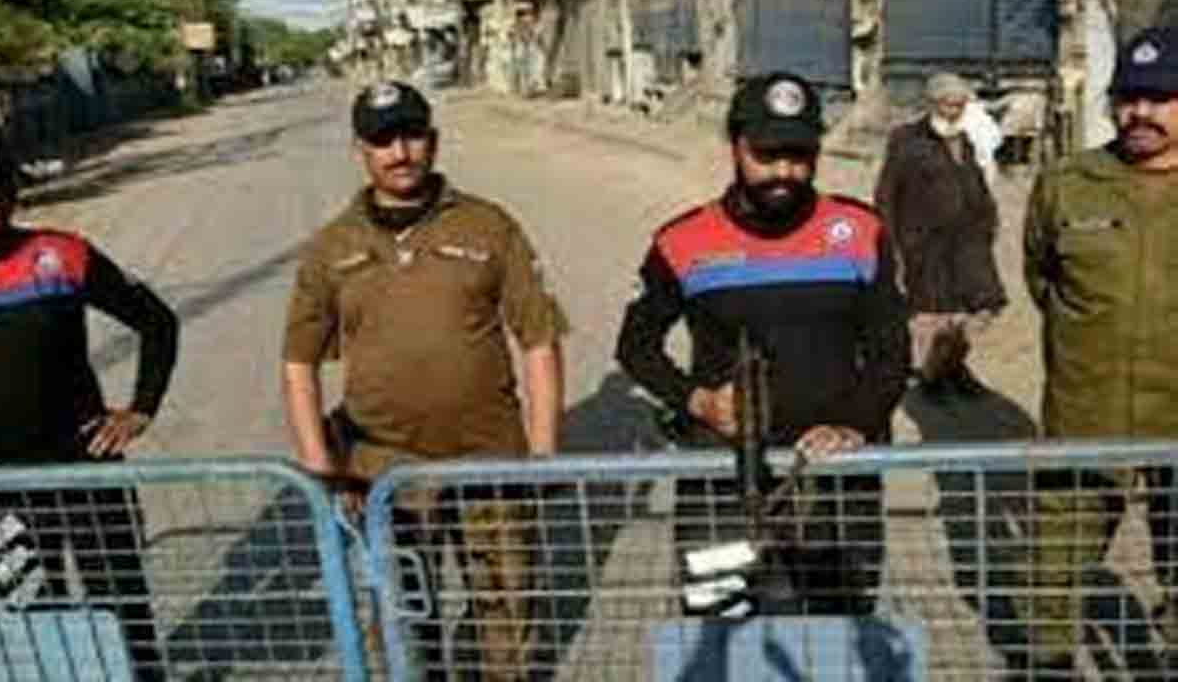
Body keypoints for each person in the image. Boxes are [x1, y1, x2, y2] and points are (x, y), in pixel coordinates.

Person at [281, 80, 567, 681]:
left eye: (411, 136)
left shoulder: (490, 226)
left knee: (508, 617)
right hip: (382, 469)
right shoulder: (331, 247)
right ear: (361, 150)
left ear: (432, 141)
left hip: (490, 462)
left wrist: (542, 454)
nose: (400, 152)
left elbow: (539, 339)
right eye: (383, 140)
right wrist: (320, 470)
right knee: (403, 624)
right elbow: (298, 362)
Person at [615, 71, 909, 616]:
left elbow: (891, 350)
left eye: (799, 155)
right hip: (718, 485)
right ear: (735, 146)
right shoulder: (683, 241)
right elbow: (636, 348)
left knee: (836, 639)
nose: (784, 171)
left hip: (833, 485)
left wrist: (855, 424)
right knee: (719, 629)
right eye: (767, 154)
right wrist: (697, 401)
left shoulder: (860, 230)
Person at [0, 144, 179, 682]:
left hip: (86, 471)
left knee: (123, 612)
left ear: (11, 196)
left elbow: (157, 323)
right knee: (35, 619)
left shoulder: (63, 255)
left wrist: (141, 409)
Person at [1023, 25, 1178, 678]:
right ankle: (1051, 667)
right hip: (1086, 415)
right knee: (1054, 568)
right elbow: (1043, 280)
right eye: (1128, 97)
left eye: (1160, 98)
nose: (1139, 112)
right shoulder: (1068, 182)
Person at [875, 71, 1007, 399]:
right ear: (933, 103)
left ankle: (954, 368)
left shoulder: (965, 139)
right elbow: (887, 194)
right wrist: (891, 243)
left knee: (970, 311)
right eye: (948, 104)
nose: (954, 111)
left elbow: (975, 183)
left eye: (960, 105)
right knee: (932, 314)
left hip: (968, 244)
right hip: (925, 244)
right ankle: (932, 375)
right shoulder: (906, 140)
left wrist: (989, 219)